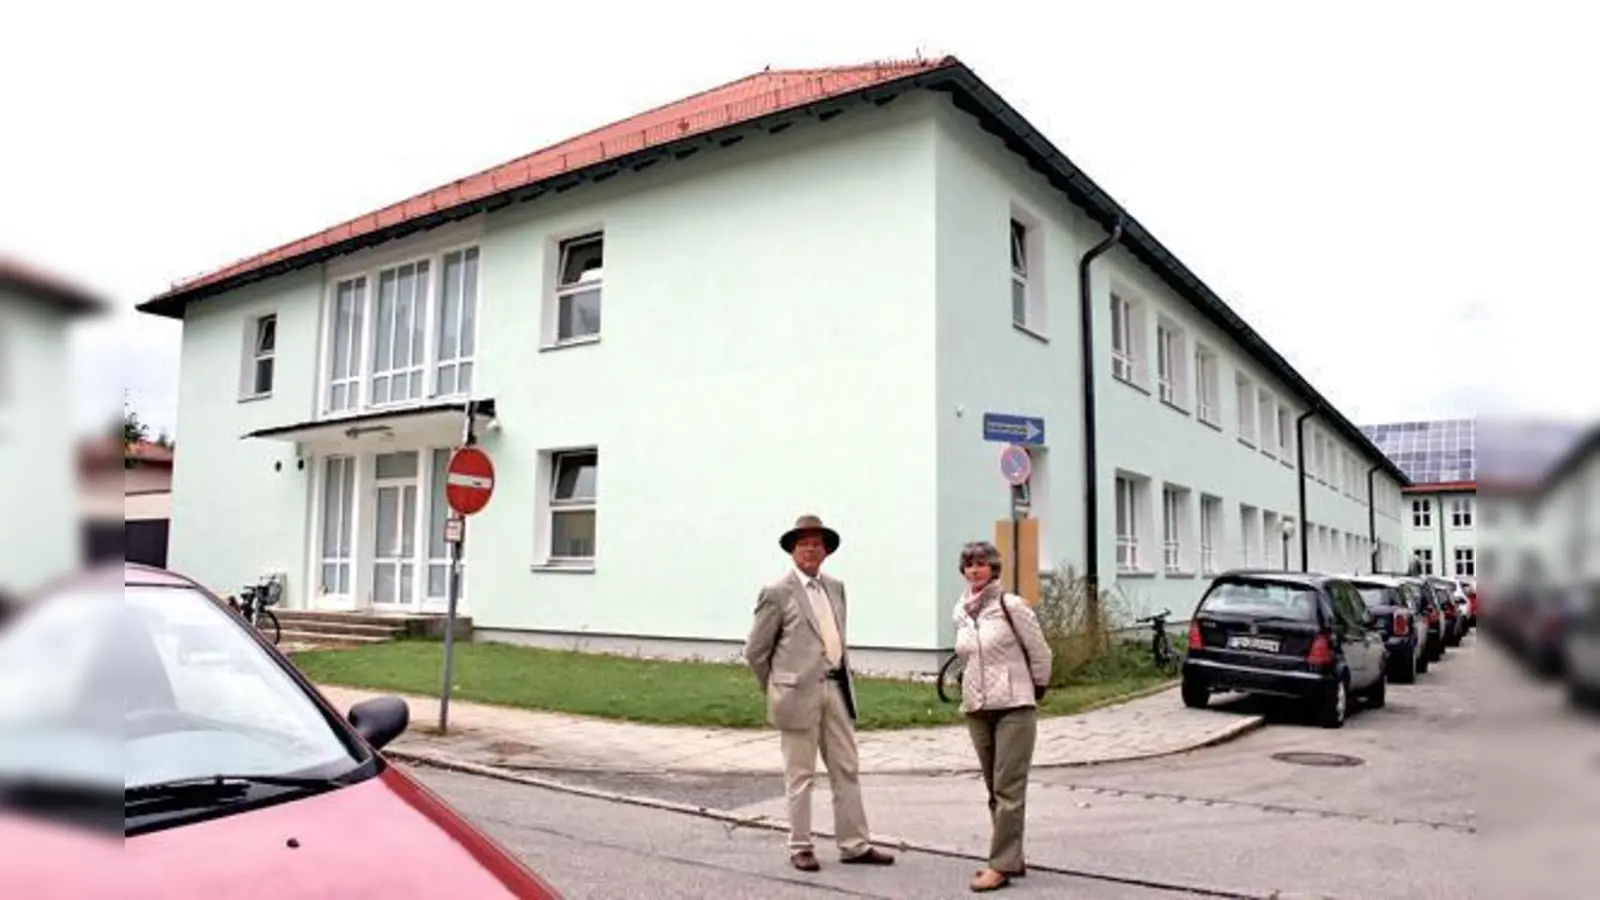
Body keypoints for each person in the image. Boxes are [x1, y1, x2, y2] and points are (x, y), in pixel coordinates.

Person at [743, 514, 896, 872]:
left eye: (816, 544)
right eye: (803, 544)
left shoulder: (836, 587)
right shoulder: (777, 593)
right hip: (796, 694)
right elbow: (755, 652)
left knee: (847, 768)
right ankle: (800, 846)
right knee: (800, 775)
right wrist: (778, 685)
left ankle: (855, 845)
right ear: (792, 551)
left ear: (826, 550)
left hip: (836, 689)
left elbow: (837, 639)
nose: (810, 550)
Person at [951, 540, 1053, 893]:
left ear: (994, 568)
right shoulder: (961, 610)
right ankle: (1012, 855)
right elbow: (967, 656)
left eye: (982, 564)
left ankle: (1000, 865)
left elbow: (1041, 653)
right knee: (993, 789)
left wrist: (1033, 689)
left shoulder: (1012, 606)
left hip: (1014, 706)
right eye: (969, 565)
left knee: (1009, 787)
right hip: (977, 708)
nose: (975, 570)